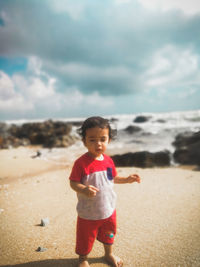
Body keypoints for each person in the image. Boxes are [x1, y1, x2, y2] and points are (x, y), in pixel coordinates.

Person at [69, 116, 141, 267]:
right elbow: (73, 183)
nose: (98, 144)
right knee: (85, 238)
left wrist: (127, 179)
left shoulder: (108, 161)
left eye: (103, 139)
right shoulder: (81, 163)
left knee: (109, 234)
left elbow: (113, 178)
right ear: (84, 141)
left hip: (108, 209)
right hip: (88, 213)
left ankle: (108, 254)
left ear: (109, 140)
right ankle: (83, 259)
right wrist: (84, 188)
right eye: (92, 139)